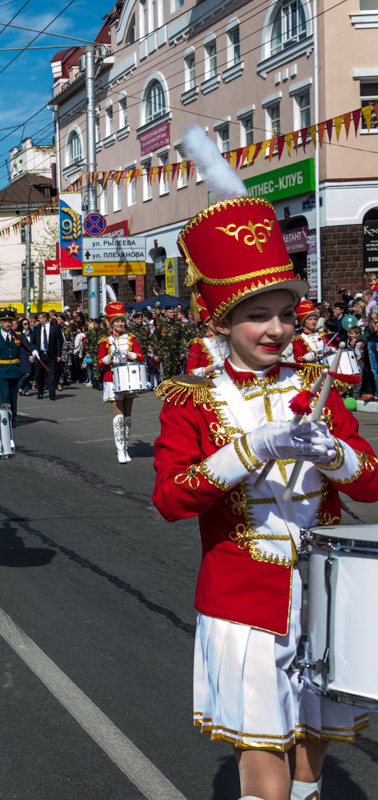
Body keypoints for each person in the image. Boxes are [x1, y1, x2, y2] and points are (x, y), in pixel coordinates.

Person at [152, 189, 378, 800]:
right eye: (258, 315)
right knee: (268, 770)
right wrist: (248, 451)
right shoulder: (190, 399)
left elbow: (373, 483)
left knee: (312, 755)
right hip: (244, 597)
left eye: (286, 314)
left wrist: (333, 452)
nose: (277, 329)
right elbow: (172, 499)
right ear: (221, 321)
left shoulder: (319, 384)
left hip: (329, 592)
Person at [97, 301, 145, 464]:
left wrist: (128, 354)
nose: (120, 324)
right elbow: (99, 362)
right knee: (119, 416)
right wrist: (110, 357)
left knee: (128, 417)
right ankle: (120, 450)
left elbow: (140, 356)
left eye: (122, 321)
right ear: (111, 323)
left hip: (129, 378)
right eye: (117, 321)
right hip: (112, 379)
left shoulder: (131, 338)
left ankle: (125, 447)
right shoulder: (105, 340)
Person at [0, 308, 28, 426]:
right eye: (5, 321)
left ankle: (13, 419)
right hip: (2, 371)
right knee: (4, 397)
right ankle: (5, 420)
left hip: (14, 371)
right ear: (1, 323)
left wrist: (34, 350)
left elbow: (28, 345)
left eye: (9, 321)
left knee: (13, 397)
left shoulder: (18, 335)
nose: (8, 323)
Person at [183, 294, 229, 377]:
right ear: (207, 323)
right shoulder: (198, 344)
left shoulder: (230, 338)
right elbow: (190, 373)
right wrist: (210, 368)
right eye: (215, 320)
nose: (220, 323)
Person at [290, 299, 335, 364]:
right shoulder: (299, 339)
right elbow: (298, 359)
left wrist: (329, 349)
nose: (313, 322)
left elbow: (334, 348)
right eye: (310, 319)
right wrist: (313, 354)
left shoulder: (321, 335)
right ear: (304, 322)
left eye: (315, 319)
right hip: (310, 372)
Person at [31, 312, 63, 400]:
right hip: (40, 355)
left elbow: (59, 342)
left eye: (40, 318)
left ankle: (52, 394)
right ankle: (40, 392)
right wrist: (32, 354)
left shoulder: (55, 328)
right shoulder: (37, 329)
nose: (38, 319)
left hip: (51, 355)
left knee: (52, 375)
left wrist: (59, 355)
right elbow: (32, 343)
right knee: (39, 375)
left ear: (45, 318)